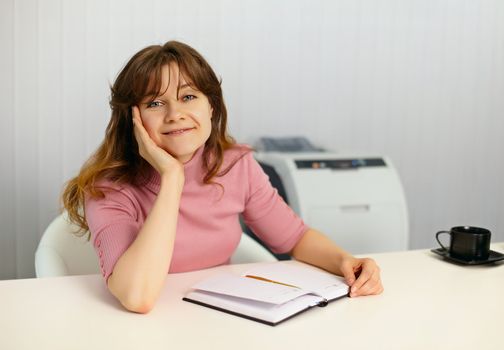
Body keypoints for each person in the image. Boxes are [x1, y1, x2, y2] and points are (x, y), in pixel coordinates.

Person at [62, 40, 383, 314]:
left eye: (188, 97)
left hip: (223, 320)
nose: (175, 114)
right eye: (155, 103)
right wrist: (172, 178)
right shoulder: (108, 187)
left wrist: (347, 261)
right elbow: (137, 297)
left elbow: (295, 239)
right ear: (132, 118)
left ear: (211, 107)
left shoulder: (235, 164)